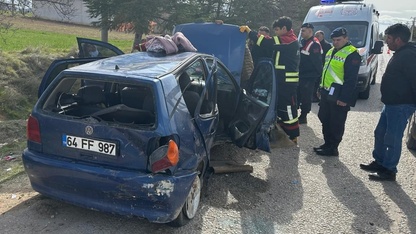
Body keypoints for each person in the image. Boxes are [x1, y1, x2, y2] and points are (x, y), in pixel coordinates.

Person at [360, 23, 416, 181]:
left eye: (389, 38)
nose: (386, 41)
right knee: (380, 133)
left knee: (392, 137)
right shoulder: (401, 53)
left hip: (401, 105)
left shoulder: (409, 55)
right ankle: (379, 161)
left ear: (398, 39)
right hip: (391, 104)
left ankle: (389, 170)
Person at [240, 16, 300, 143]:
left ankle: (293, 134)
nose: (276, 32)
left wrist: (250, 32)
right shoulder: (289, 39)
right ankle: (284, 129)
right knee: (282, 105)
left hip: (287, 81)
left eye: (277, 30)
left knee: (288, 107)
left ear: (284, 28)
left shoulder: (288, 39)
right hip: (283, 79)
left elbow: (267, 42)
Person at [313, 27, 360, 156]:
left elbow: (351, 79)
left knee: (336, 122)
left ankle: (333, 147)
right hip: (326, 91)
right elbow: (325, 71)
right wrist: (320, 88)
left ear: (346, 38)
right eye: (333, 40)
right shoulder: (331, 51)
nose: (335, 42)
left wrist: (344, 98)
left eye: (338, 40)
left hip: (339, 93)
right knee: (324, 117)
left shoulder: (352, 54)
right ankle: (327, 143)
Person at [298, 23, 323, 124]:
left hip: (309, 75)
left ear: (310, 31)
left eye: (303, 31)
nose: (301, 33)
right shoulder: (303, 42)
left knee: (306, 96)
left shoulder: (314, 44)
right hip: (301, 74)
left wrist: (318, 77)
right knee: (299, 94)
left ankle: (303, 116)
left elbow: (317, 62)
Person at [313, 30, 332, 102]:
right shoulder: (314, 44)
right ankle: (315, 96)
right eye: (315, 36)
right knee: (316, 82)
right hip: (316, 66)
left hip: (324, 66)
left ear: (322, 36)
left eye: (318, 36)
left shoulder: (327, 45)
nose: (316, 37)